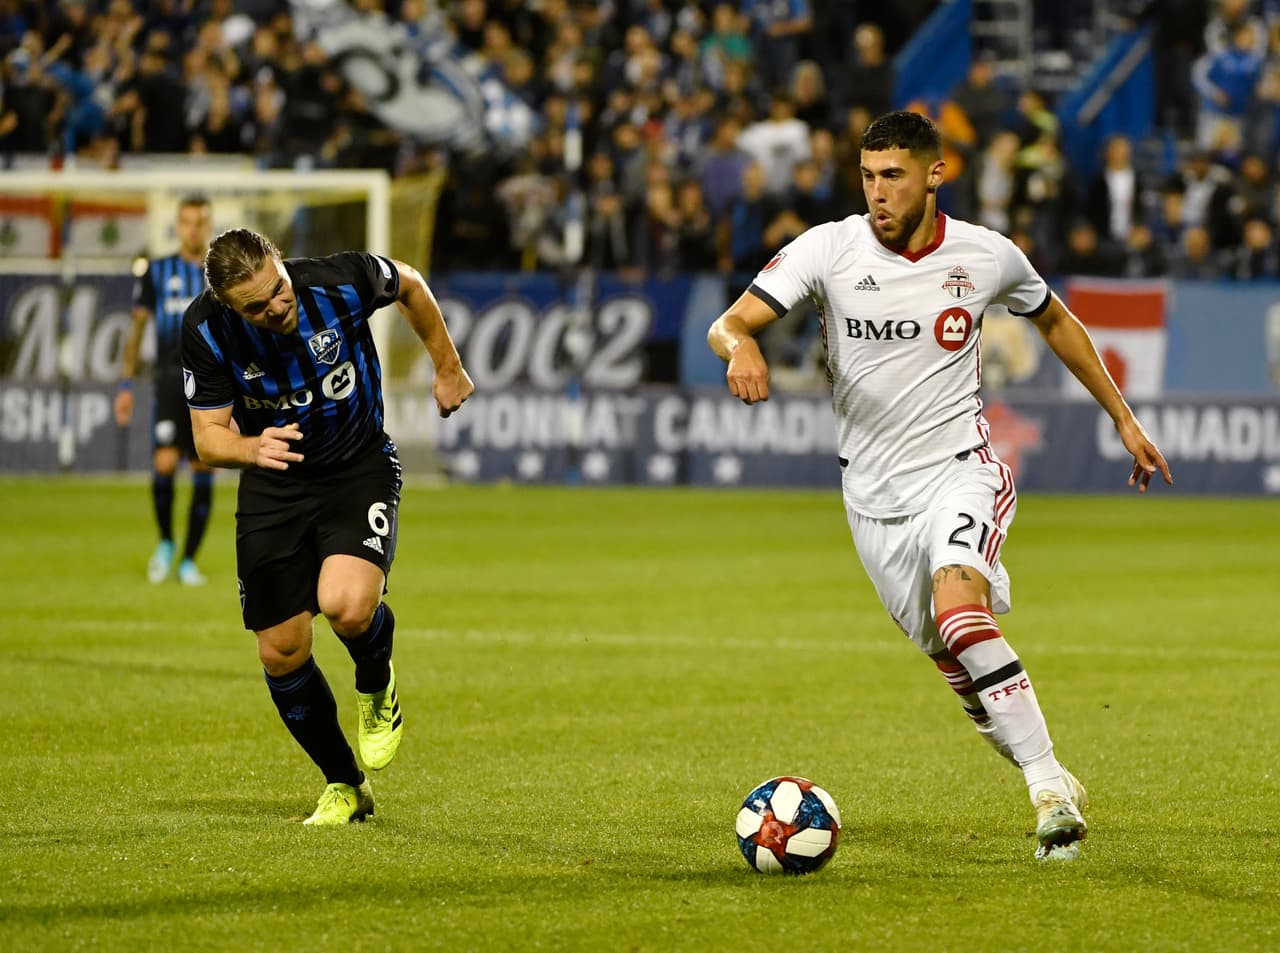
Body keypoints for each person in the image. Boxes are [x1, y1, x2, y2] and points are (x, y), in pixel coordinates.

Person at [707, 111, 1173, 860]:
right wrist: (743, 346)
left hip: (961, 470)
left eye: (892, 176)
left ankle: (1049, 791)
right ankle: (1048, 767)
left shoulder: (984, 255)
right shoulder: (829, 249)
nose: (877, 193)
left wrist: (1123, 417)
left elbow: (1056, 321)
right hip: (872, 503)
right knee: (961, 670)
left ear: (934, 173)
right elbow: (728, 322)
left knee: (962, 614)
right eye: (866, 176)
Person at [180, 228, 473, 825]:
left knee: (346, 606)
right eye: (256, 307)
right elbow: (208, 439)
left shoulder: (339, 280)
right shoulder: (205, 329)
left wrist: (447, 368)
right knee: (280, 649)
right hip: (274, 480)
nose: (276, 308)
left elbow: (411, 285)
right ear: (228, 306)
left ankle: (375, 679)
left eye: (278, 290)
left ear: (281, 263)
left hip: (356, 467)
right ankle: (346, 784)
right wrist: (250, 449)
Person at [116, 196, 216, 586]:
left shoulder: (223, 273)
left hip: (211, 381)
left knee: (203, 465)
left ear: (208, 226)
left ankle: (190, 560)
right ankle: (166, 543)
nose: (193, 229)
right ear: (178, 226)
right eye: (187, 222)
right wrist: (126, 384)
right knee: (162, 464)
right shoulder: (157, 271)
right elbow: (137, 330)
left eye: (200, 222)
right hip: (169, 379)